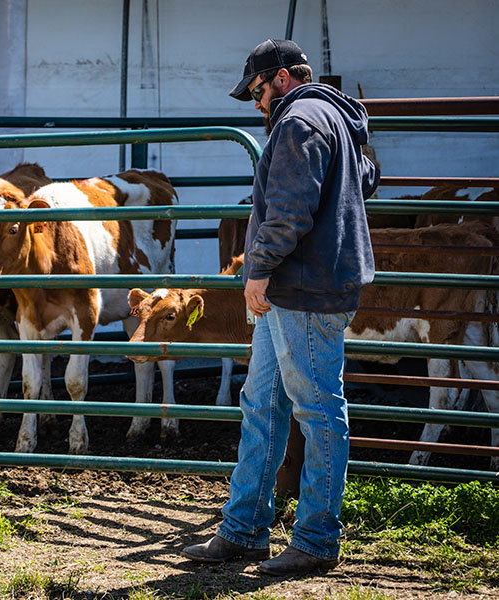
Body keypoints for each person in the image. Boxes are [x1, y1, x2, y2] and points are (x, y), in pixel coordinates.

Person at [181, 39, 380, 576]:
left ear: (283, 78)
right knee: (262, 403)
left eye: (257, 90)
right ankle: (244, 529)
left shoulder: (298, 124)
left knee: (316, 411)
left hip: (301, 290)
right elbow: (367, 180)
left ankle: (316, 539)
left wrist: (258, 270)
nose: (255, 104)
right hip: (303, 290)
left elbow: (289, 213)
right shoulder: (337, 118)